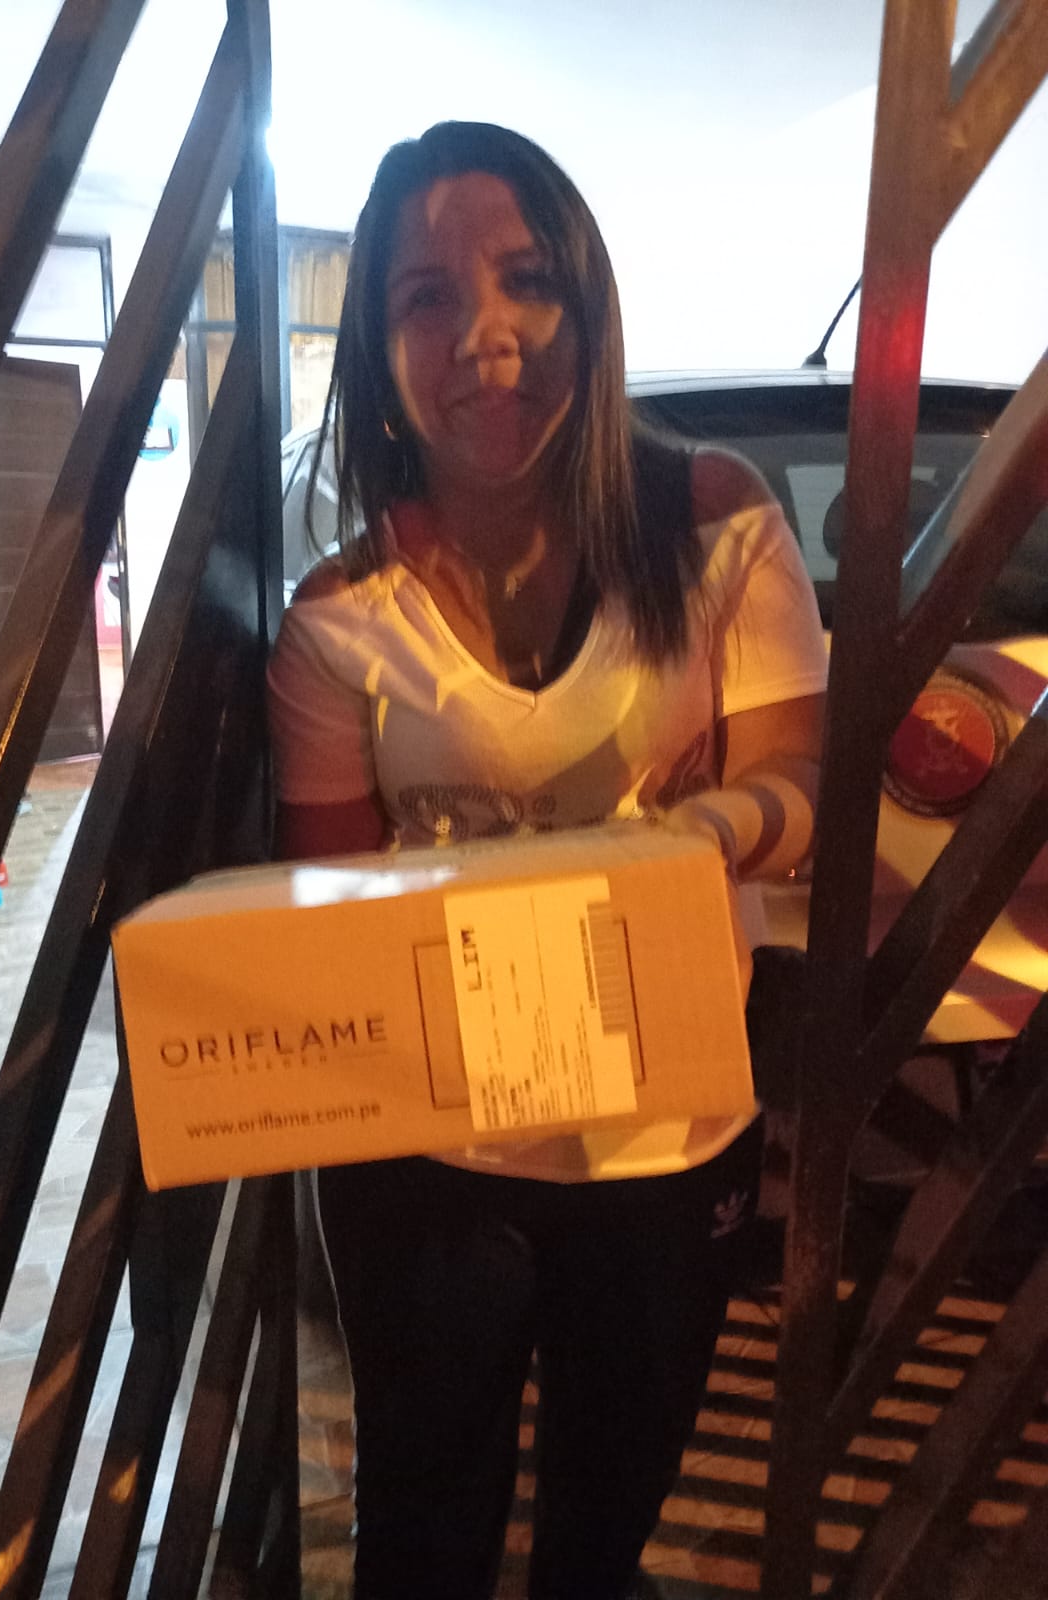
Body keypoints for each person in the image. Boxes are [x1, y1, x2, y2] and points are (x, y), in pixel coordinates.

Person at [267, 120, 826, 1600]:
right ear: (378, 346)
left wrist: (708, 832)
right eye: (426, 297)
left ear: (590, 302)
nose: (485, 335)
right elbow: (332, 911)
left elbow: (802, 782)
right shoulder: (338, 615)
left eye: (527, 280)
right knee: (421, 1533)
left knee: (605, 1528)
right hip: (430, 1157)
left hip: (665, 1139)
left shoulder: (715, 522)